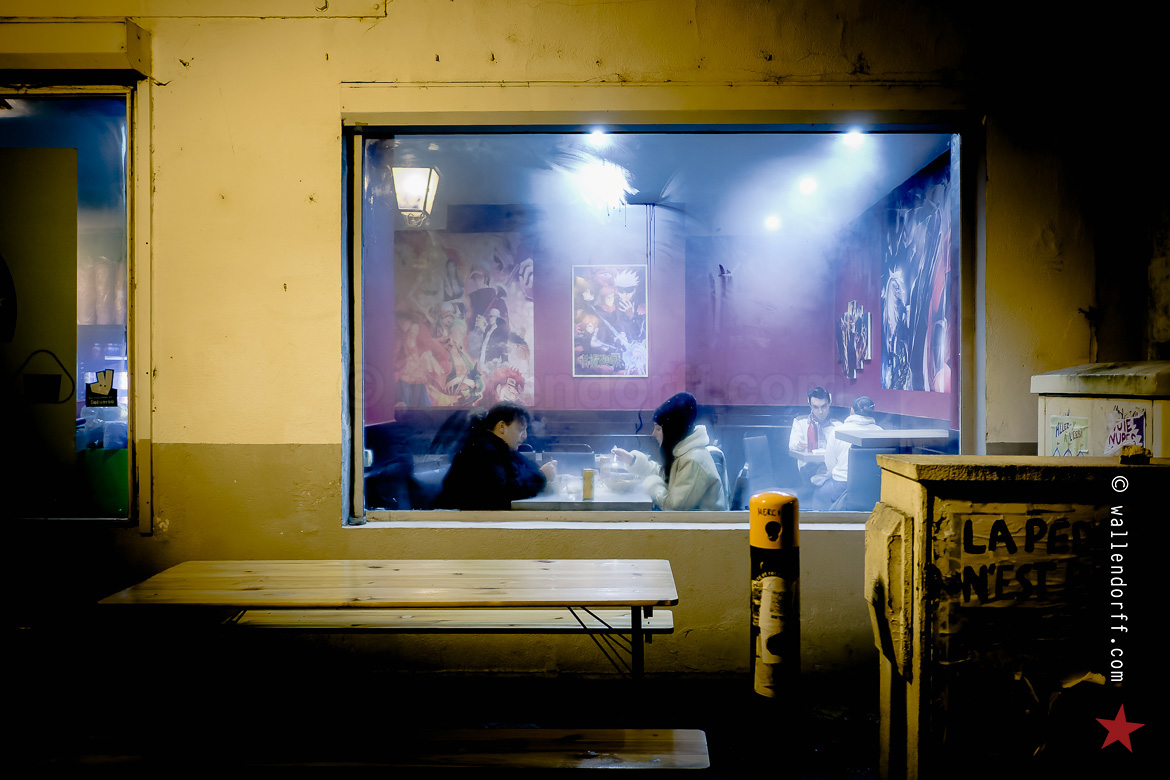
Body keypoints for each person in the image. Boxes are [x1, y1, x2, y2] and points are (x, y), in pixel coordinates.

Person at [611, 392, 727, 511]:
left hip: (701, 523)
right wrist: (632, 461)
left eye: (658, 429)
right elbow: (664, 475)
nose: (653, 433)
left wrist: (652, 485)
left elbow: (673, 507)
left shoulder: (693, 461)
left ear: (672, 430)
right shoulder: (683, 452)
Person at [436, 401, 556, 510]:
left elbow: (530, 468)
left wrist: (541, 474)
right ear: (502, 427)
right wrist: (541, 476)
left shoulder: (505, 450)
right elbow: (502, 493)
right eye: (520, 429)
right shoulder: (482, 451)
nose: (524, 436)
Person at [812, 396, 882, 510]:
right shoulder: (879, 431)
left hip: (841, 485)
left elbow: (830, 464)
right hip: (871, 487)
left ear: (852, 410)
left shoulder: (838, 430)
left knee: (819, 494)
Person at [788, 387, 839, 491]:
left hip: (831, 469)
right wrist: (798, 444)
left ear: (829, 403)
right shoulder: (800, 422)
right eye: (815, 407)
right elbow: (792, 444)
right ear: (810, 405)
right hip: (808, 469)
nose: (820, 411)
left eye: (824, 406)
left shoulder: (837, 425)